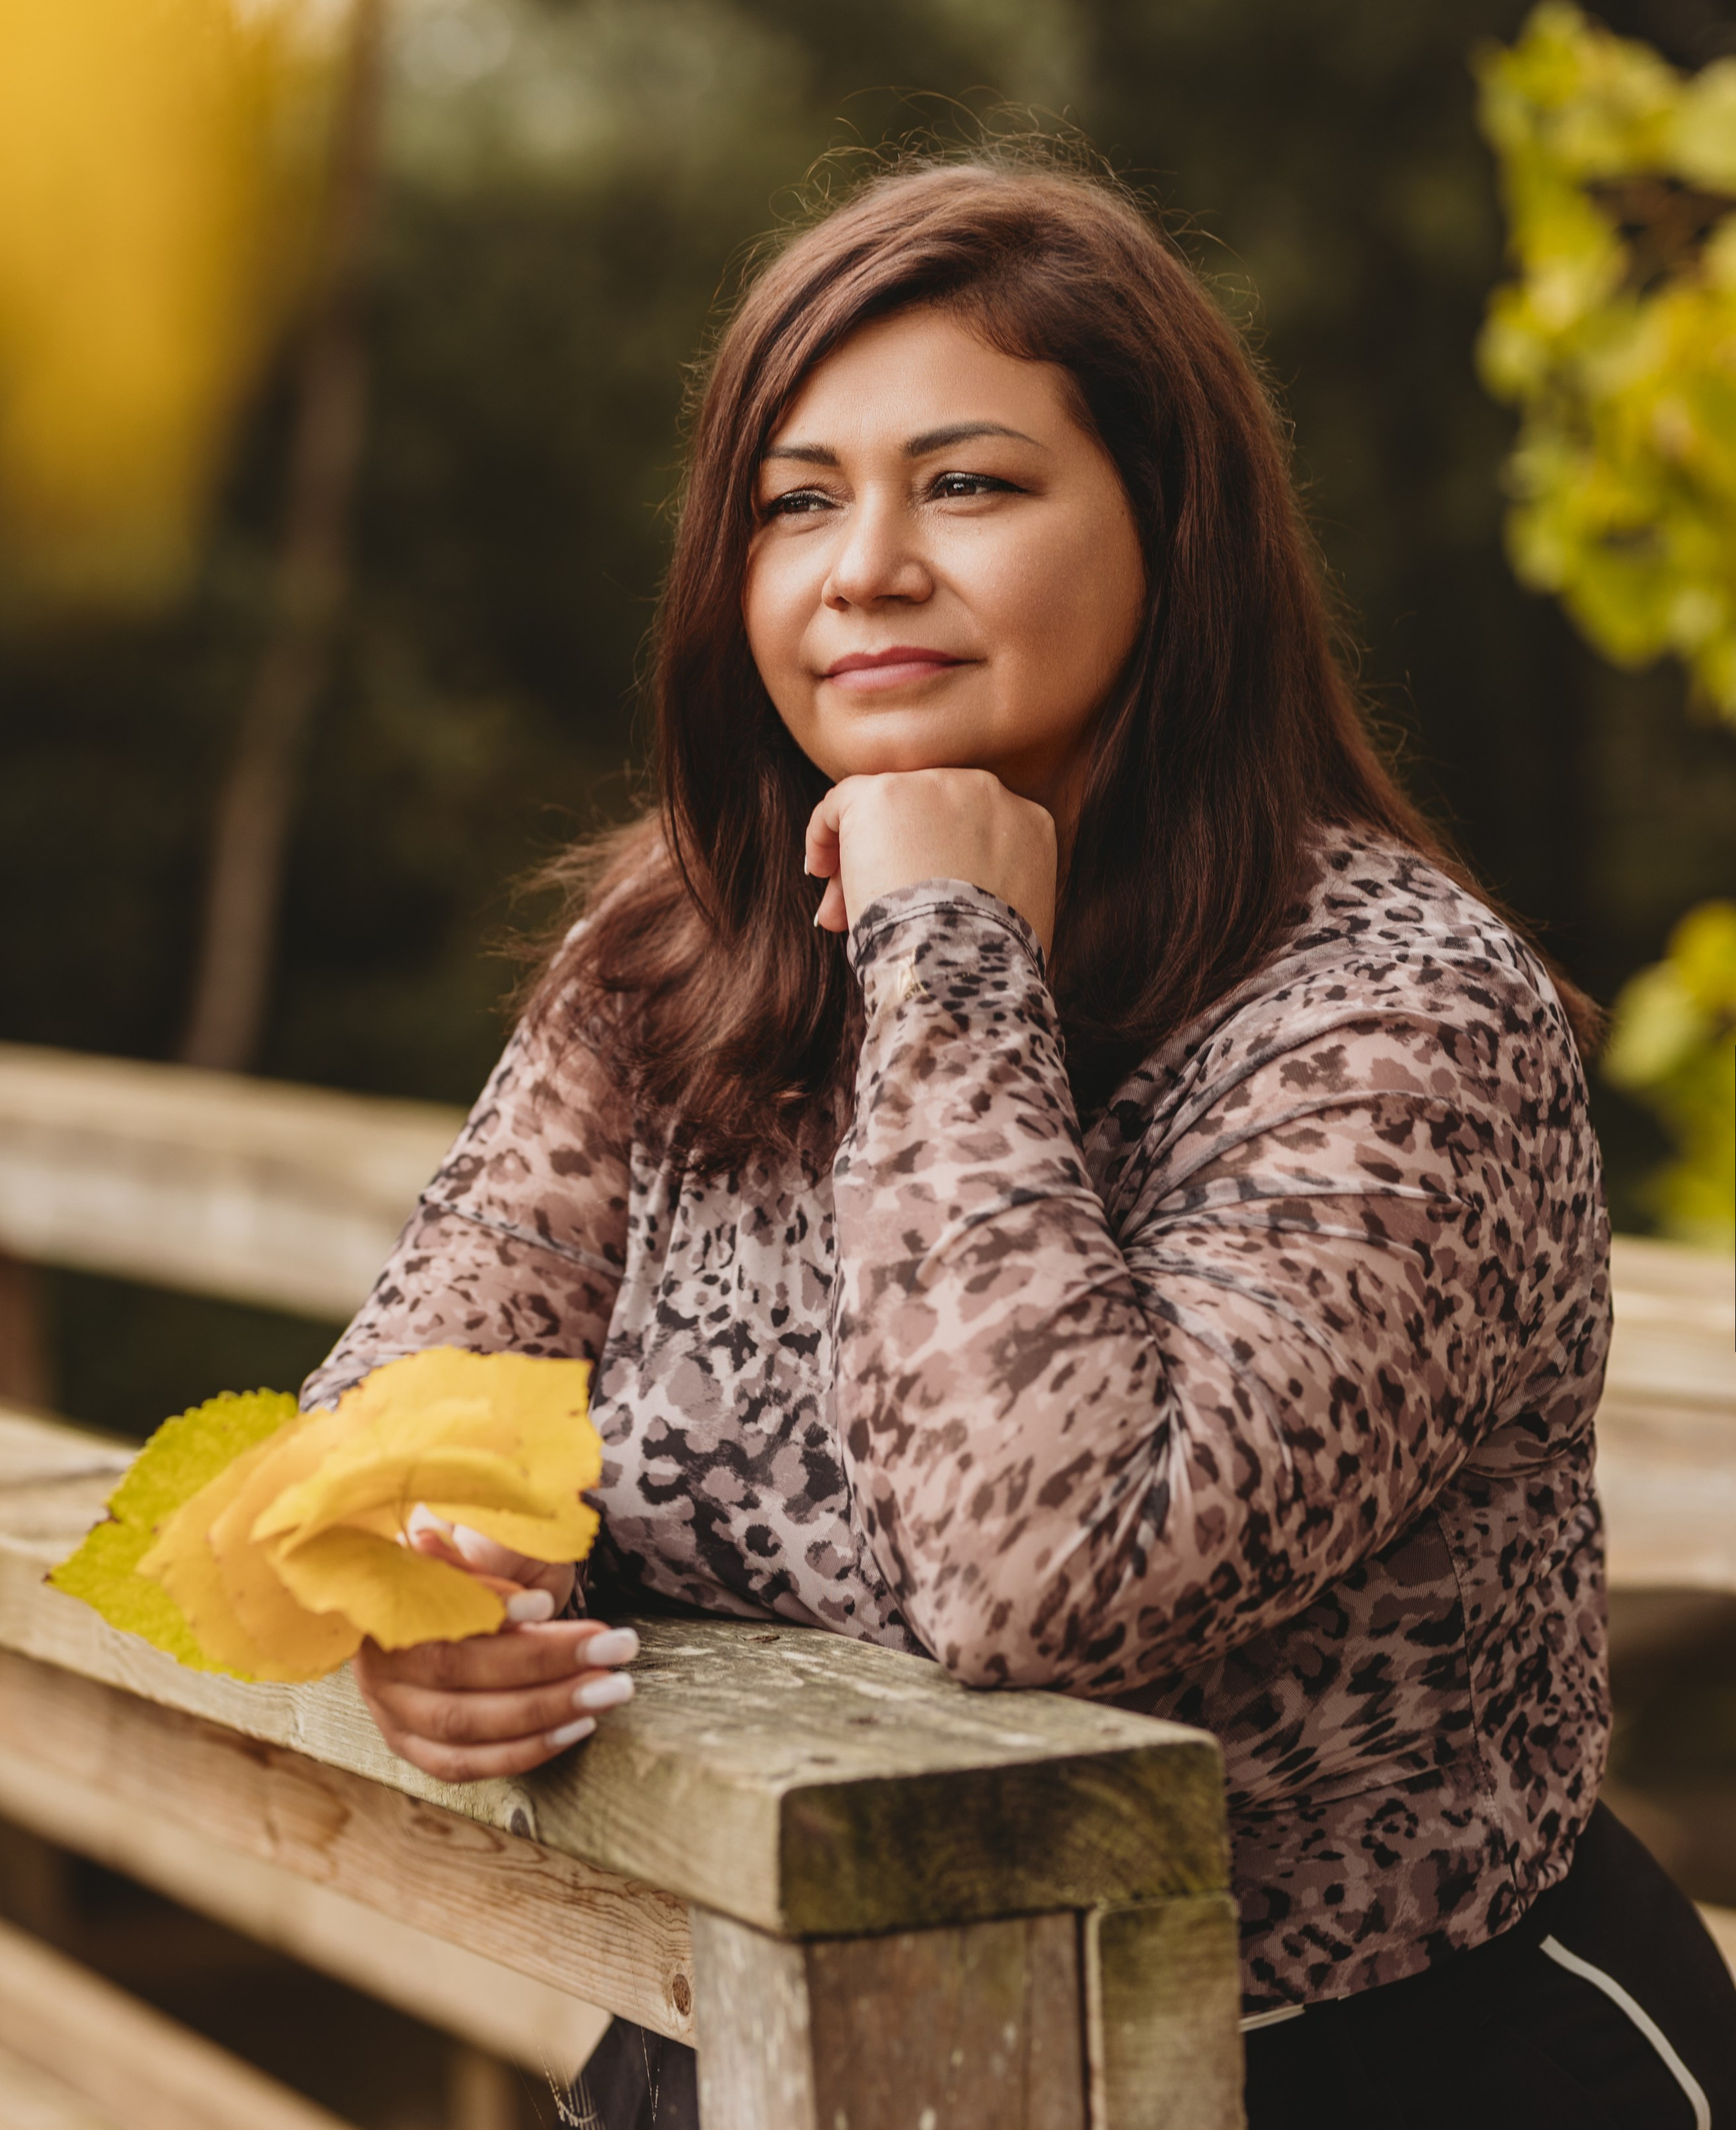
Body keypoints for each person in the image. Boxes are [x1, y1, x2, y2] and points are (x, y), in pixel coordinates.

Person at [300, 158, 1736, 2127]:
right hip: (754, 2032)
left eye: (967, 484)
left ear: (1175, 533)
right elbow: (399, 1402)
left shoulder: (1401, 1012)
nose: (864, 567)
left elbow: (1042, 1577)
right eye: (799, 500)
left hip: (1350, 2065)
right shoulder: (671, 951)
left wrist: (943, 948)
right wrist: (426, 1593)